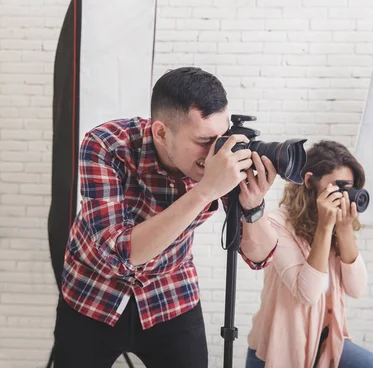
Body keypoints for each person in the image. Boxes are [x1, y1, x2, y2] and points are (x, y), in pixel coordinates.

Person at [52, 67, 279, 368]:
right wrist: (206, 190)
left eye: (220, 137)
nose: (214, 151)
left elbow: (260, 257)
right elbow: (121, 255)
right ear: (161, 131)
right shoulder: (105, 145)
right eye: (202, 140)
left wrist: (253, 206)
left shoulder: (215, 157)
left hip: (170, 292)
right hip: (93, 292)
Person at [245, 140, 373, 368]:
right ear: (309, 181)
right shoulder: (276, 224)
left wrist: (343, 230)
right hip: (279, 350)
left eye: (349, 187)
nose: (345, 195)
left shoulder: (338, 226)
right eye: (338, 186)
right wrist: (324, 227)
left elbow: (357, 289)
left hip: (327, 345)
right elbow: (309, 294)